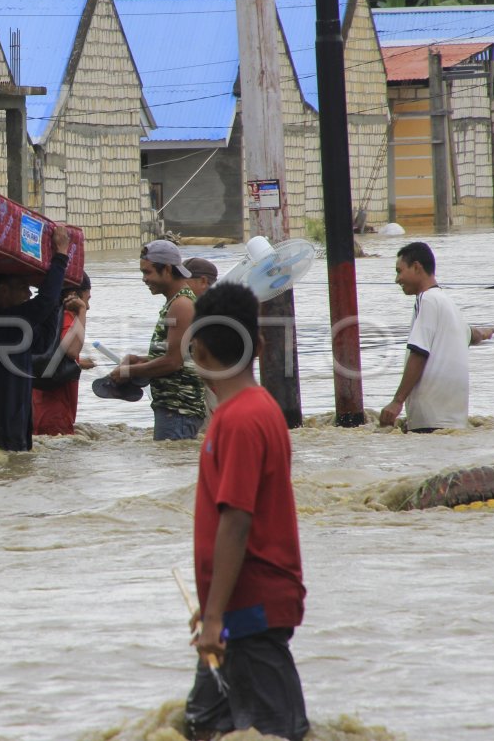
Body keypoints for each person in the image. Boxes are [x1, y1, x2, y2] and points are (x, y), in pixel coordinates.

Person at [185, 282, 309, 741]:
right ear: (257, 345)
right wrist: (213, 606)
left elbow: (237, 521)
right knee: (202, 726)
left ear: (197, 348)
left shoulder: (240, 419)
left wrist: (215, 613)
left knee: (275, 733)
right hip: (234, 607)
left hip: (252, 609)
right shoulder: (247, 410)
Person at [0, 224, 70, 451]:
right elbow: (42, 302)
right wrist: (61, 256)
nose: (28, 295)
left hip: (16, 427)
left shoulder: (18, 327)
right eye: (23, 288)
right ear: (4, 291)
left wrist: (56, 304)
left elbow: (44, 341)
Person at [379, 242, 494, 432]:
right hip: (454, 422)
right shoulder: (448, 304)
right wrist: (486, 332)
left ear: (417, 267)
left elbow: (419, 353)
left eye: (399, 271)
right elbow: (472, 335)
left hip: (429, 420)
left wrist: (397, 401)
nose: (397, 279)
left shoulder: (426, 300)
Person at [110, 239, 208, 440]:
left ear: (168, 270)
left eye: (148, 272)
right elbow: (178, 355)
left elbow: (173, 362)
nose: (144, 279)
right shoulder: (176, 303)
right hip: (173, 409)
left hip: (178, 409)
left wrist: (129, 371)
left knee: (174, 468)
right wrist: (140, 360)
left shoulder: (181, 305)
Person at [32, 273, 96, 436]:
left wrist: (78, 362)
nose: (88, 306)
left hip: (37, 406)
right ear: (74, 295)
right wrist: (81, 312)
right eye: (87, 299)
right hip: (55, 412)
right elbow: (71, 350)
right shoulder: (68, 316)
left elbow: (52, 354)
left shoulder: (47, 316)